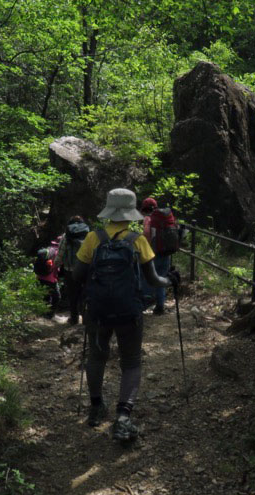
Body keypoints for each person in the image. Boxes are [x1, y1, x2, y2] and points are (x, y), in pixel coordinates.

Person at [73, 188, 180, 442]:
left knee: (97, 358)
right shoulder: (137, 240)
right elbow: (154, 280)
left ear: (109, 212)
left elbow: (77, 275)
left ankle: (96, 406)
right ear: (131, 212)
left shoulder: (92, 238)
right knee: (130, 361)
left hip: (97, 311)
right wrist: (171, 280)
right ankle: (123, 418)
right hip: (129, 311)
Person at [144, 198, 179, 315]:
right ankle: (160, 307)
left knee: (148, 277)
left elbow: (146, 235)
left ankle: (144, 303)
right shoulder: (165, 217)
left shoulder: (149, 219)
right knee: (162, 278)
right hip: (166, 252)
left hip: (153, 253)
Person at [56, 215, 90, 325]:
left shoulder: (66, 236)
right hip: (85, 269)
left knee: (73, 295)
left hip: (69, 271)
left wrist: (55, 266)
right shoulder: (89, 235)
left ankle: (74, 319)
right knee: (85, 294)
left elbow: (60, 254)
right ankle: (85, 319)